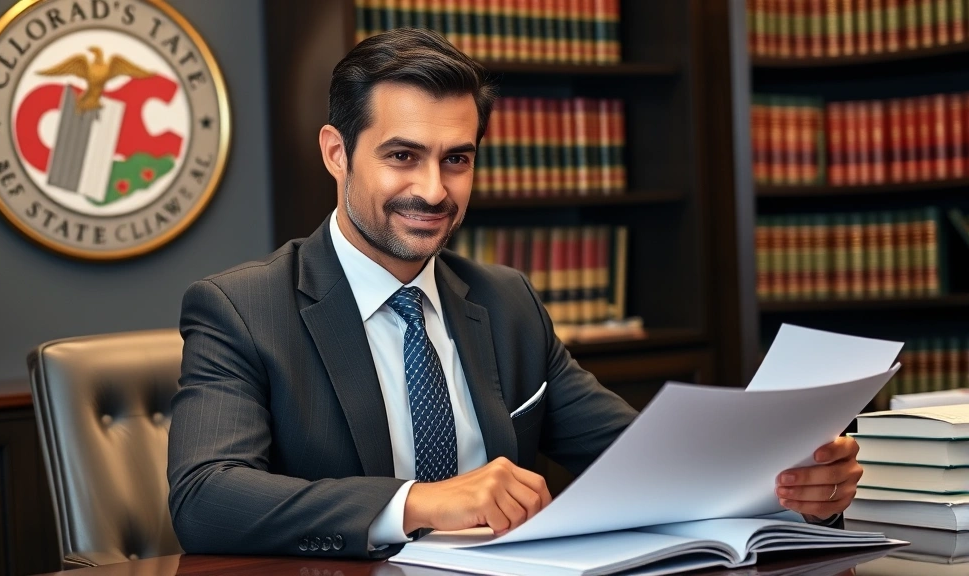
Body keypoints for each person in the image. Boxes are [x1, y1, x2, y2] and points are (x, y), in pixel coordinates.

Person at [167, 28, 863, 559]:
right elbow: (205, 499)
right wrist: (418, 503)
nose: (434, 190)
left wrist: (792, 489)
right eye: (402, 156)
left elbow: (641, 464)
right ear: (336, 153)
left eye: (457, 159)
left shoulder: (505, 302)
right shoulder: (242, 309)